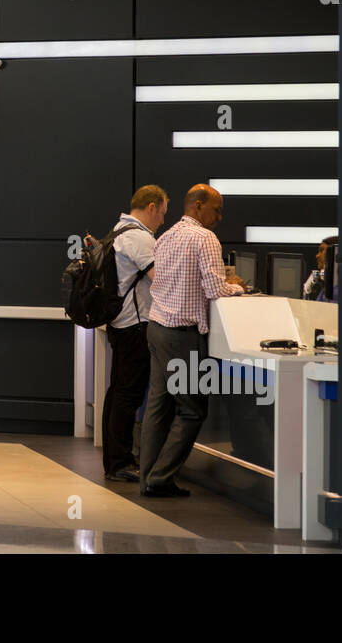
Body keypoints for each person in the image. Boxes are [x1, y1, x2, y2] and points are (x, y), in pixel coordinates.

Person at [138, 184, 245, 498]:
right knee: (192, 409)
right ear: (198, 206)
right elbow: (215, 289)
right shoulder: (204, 238)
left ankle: (149, 477)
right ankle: (160, 478)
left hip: (157, 327)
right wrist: (237, 288)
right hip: (182, 336)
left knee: (158, 407)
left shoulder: (166, 235)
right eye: (216, 209)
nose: (220, 216)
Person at [101, 184, 168, 483]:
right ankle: (120, 462)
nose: (163, 221)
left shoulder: (118, 231)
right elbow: (162, 278)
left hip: (120, 323)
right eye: (162, 213)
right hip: (135, 325)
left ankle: (115, 460)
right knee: (127, 395)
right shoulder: (139, 238)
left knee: (118, 392)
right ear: (151, 207)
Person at [303, 235, 339, 301]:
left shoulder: (336, 293)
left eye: (321, 250)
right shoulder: (325, 291)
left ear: (335, 253)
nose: (317, 256)